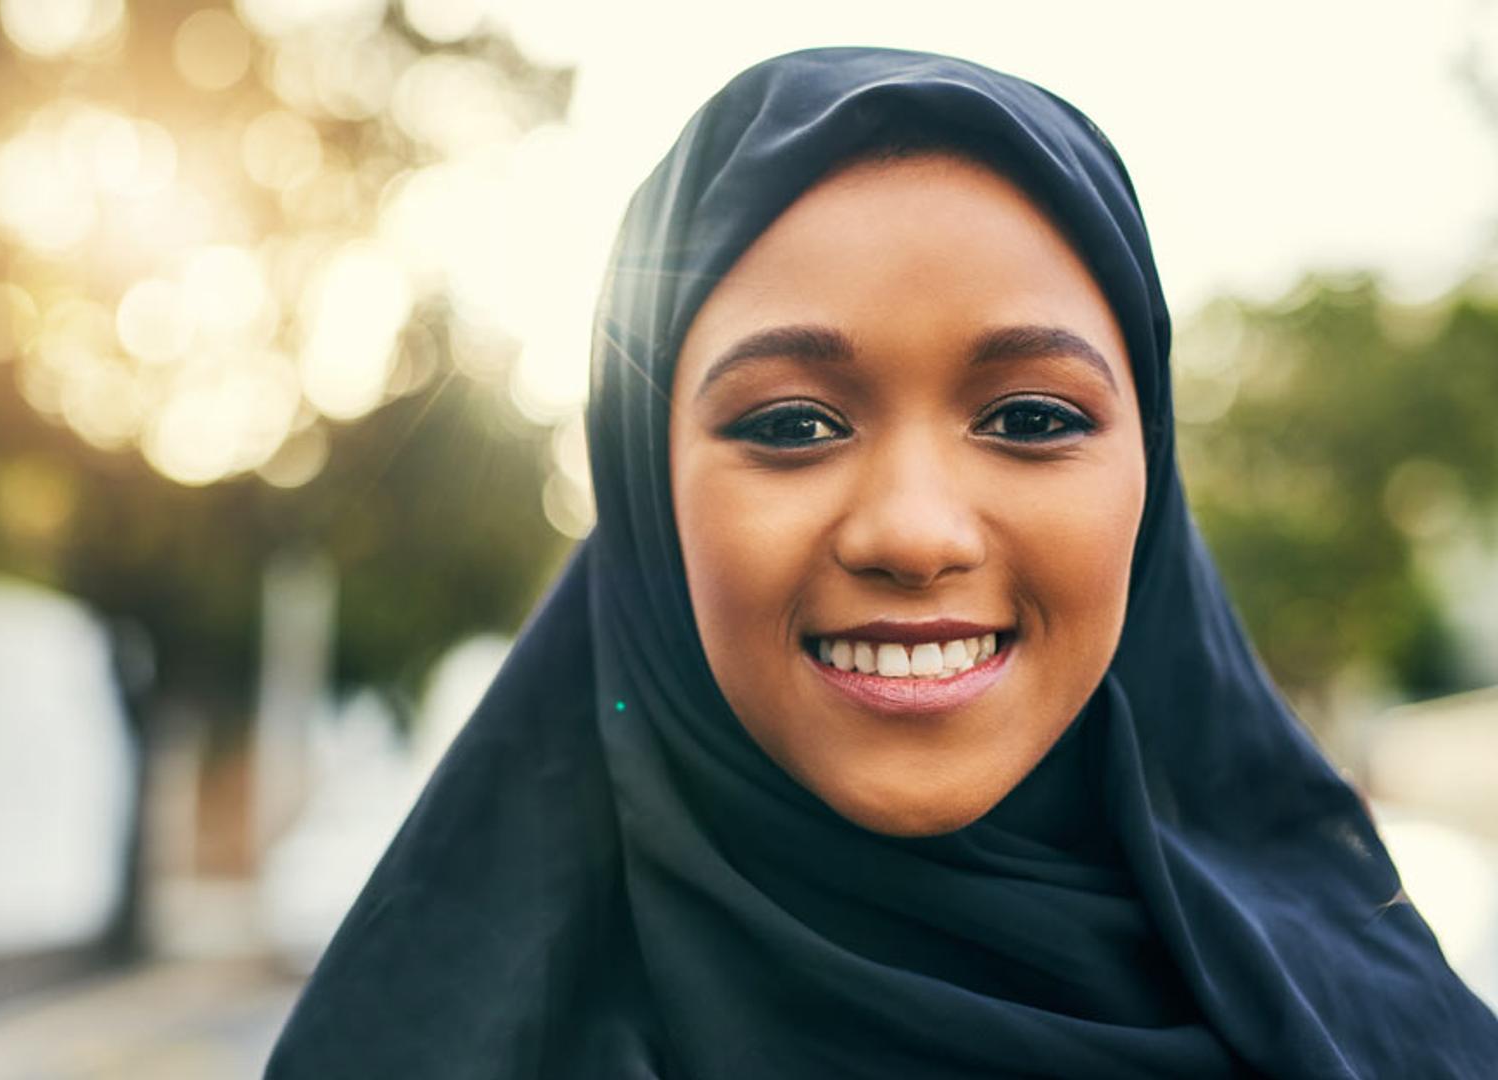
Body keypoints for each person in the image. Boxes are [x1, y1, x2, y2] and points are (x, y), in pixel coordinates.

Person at [266, 48, 1498, 1078]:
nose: (915, 534)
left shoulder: (1388, 1044)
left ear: (1150, 481)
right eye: (791, 425)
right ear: (648, 496)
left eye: (1031, 418)